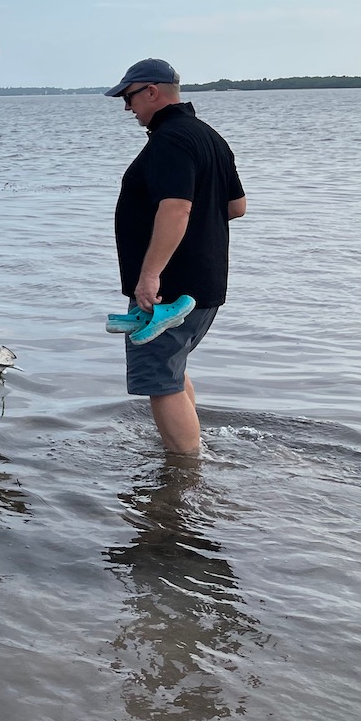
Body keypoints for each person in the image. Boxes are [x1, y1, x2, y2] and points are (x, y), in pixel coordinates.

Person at [107, 59, 246, 456]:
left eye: (129, 97)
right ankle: (187, 454)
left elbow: (176, 208)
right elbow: (236, 206)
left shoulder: (170, 139)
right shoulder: (209, 137)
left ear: (152, 91)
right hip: (204, 282)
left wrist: (150, 276)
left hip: (171, 290)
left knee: (158, 379)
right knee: (171, 369)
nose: (127, 107)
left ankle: (183, 478)